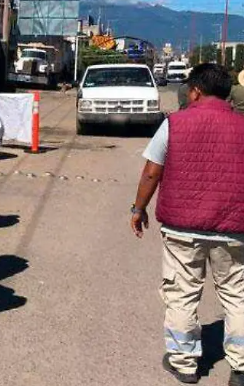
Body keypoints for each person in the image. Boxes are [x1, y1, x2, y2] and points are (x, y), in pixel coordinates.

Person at [131, 63, 244, 385]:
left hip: (183, 228)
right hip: (235, 228)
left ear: (195, 91)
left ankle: (184, 363)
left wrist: (138, 209)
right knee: (237, 295)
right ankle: (241, 366)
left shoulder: (174, 124)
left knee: (182, 294)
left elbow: (152, 172)